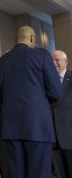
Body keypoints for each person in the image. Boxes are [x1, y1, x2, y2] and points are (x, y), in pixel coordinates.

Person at [0, 26, 62, 178]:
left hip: (10, 130)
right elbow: (56, 92)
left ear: (16, 40)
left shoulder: (0, 62)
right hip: (38, 129)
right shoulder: (42, 55)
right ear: (31, 38)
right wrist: (40, 108)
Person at [51, 50, 72, 178]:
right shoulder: (46, 81)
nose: (53, 63)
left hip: (69, 137)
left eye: (57, 60)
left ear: (66, 61)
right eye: (51, 61)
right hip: (53, 139)